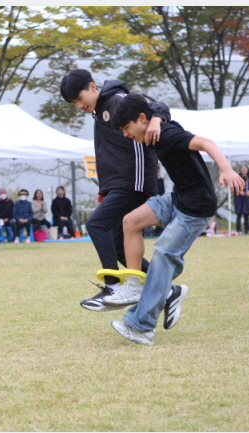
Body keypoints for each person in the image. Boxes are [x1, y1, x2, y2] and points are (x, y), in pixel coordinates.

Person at [103, 93, 244, 344]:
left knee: (162, 257)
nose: (125, 134)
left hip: (195, 208)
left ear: (141, 119)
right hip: (178, 198)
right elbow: (158, 105)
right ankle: (134, 284)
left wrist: (227, 170)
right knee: (130, 222)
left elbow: (207, 143)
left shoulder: (166, 134)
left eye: (126, 128)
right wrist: (157, 118)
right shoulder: (154, 125)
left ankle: (142, 327)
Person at [60, 69, 169, 311]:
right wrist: (106, 189)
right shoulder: (100, 111)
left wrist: (157, 119)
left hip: (134, 182)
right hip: (119, 184)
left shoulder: (117, 100)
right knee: (119, 242)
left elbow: (156, 107)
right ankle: (166, 289)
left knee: (96, 224)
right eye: (73, 103)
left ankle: (113, 287)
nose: (79, 105)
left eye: (79, 98)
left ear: (92, 86)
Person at [234, 164, 249, 234]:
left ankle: (247, 230)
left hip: (247, 199)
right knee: (239, 214)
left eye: (245, 168)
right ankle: (238, 230)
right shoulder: (237, 178)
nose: (243, 170)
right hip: (239, 198)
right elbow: (233, 187)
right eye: (242, 168)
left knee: (246, 215)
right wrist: (239, 191)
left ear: (247, 170)